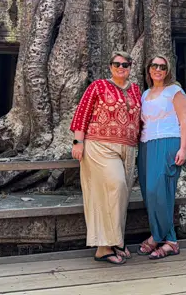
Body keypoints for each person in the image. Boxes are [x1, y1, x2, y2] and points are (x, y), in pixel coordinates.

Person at [70, 50, 141, 265]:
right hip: (100, 146)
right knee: (115, 186)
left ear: (130, 67)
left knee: (121, 194)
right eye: (117, 64)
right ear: (110, 66)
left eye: (126, 64)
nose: (121, 67)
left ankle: (116, 241)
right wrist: (78, 142)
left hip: (128, 148)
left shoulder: (136, 90)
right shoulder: (98, 86)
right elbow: (81, 114)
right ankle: (102, 247)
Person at [137, 53, 186, 260]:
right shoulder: (145, 94)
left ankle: (159, 238)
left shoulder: (174, 91)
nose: (158, 69)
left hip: (168, 141)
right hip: (146, 144)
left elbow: (184, 120)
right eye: (154, 66)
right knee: (148, 192)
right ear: (149, 69)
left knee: (160, 190)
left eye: (162, 67)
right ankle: (168, 240)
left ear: (167, 71)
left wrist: (183, 148)